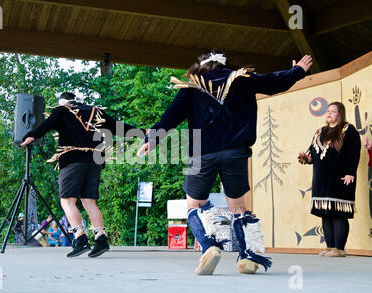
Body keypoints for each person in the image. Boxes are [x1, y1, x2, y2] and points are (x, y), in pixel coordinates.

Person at [137, 49, 313, 275]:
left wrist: (151, 139)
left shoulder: (192, 86)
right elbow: (274, 82)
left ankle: (209, 246)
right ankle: (248, 258)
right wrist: (297, 70)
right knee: (238, 207)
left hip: (202, 153)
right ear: (225, 65)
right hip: (235, 152)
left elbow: (170, 116)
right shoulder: (241, 78)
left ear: (200, 66)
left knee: (194, 205)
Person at [21, 92, 144, 258]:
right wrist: (143, 132)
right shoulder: (95, 111)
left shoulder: (62, 110)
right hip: (95, 160)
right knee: (88, 201)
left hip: (72, 159)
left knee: (67, 201)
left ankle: (80, 238)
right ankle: (100, 239)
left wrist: (31, 136)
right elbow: (118, 127)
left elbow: (46, 125)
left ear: (62, 102)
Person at [298, 102, 361, 257]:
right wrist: (306, 158)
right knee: (325, 213)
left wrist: (350, 172)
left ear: (340, 114)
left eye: (333, 111)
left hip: (340, 178)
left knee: (338, 213)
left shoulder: (348, 129)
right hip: (321, 179)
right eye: (328, 110)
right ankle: (330, 246)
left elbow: (354, 152)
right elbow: (313, 153)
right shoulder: (320, 131)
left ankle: (339, 248)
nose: (329, 113)